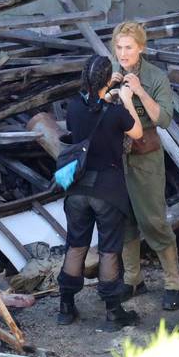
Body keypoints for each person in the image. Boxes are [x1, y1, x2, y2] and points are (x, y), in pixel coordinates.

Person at [57, 55, 143, 332]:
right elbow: (138, 133)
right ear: (108, 79)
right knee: (108, 249)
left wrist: (104, 96)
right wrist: (125, 98)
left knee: (76, 245)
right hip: (107, 189)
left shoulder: (73, 107)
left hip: (78, 187)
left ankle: (66, 307)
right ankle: (113, 311)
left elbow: (78, 125)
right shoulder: (116, 111)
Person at [109, 20, 179, 310]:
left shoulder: (154, 77)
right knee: (124, 219)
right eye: (119, 47)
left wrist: (139, 91)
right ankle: (132, 279)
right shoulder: (112, 74)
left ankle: (173, 282)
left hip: (145, 157)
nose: (123, 53)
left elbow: (164, 119)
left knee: (153, 220)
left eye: (128, 47)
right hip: (117, 159)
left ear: (141, 48)